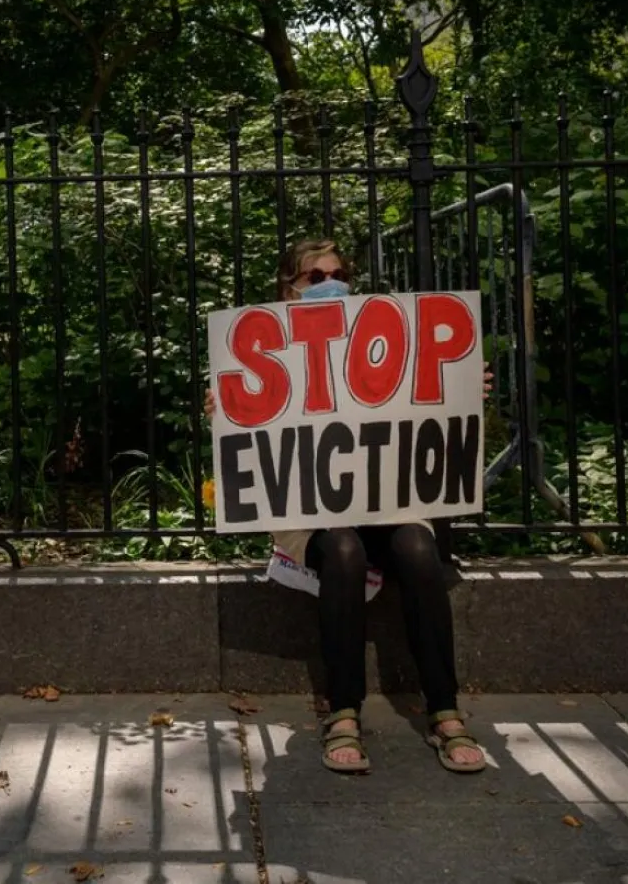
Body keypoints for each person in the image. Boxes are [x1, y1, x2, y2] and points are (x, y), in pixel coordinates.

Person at [206, 238, 490, 775]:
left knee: (417, 545)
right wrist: (225, 409)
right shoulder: (262, 351)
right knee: (342, 550)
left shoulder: (381, 338)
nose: (331, 283)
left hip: (382, 501)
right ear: (287, 289)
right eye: (315, 277)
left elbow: (416, 395)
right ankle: (342, 711)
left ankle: (445, 709)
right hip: (311, 514)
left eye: (339, 273)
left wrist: (459, 387)